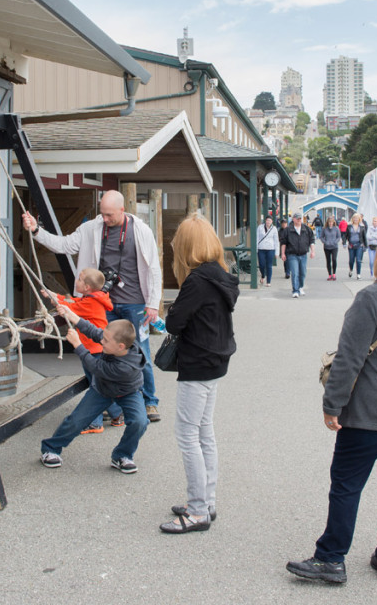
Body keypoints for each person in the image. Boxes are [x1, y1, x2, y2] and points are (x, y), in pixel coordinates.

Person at [287, 228, 377, 585]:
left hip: (371, 413)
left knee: (346, 483)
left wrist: (331, 405)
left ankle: (331, 558)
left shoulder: (371, 299)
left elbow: (349, 360)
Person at [22, 190, 164, 423]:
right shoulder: (92, 228)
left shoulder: (140, 230)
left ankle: (149, 402)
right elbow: (64, 245)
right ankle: (114, 404)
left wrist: (153, 303)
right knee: (105, 353)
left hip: (134, 302)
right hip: (101, 304)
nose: (105, 219)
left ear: (122, 210)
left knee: (140, 352)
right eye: (102, 214)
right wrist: (36, 231)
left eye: (109, 215)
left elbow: (154, 268)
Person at [159, 214, 239, 534]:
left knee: (188, 434)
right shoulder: (220, 274)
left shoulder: (195, 281)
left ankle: (196, 511)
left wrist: (173, 309)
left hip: (197, 363)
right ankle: (208, 500)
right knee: (204, 431)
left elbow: (174, 322)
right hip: (216, 361)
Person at [40, 311, 148, 474]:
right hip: (104, 388)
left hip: (128, 392)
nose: (101, 342)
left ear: (120, 347)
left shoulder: (126, 367)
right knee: (76, 421)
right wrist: (73, 316)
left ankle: (122, 455)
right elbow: (94, 331)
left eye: (105, 341)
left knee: (140, 421)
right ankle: (51, 449)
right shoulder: (118, 343)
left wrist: (78, 345)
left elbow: (96, 367)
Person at [41, 268, 115, 433]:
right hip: (97, 348)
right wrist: (55, 296)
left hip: (93, 349)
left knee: (95, 386)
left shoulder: (90, 302)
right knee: (102, 383)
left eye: (80, 279)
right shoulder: (93, 298)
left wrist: (57, 300)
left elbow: (71, 307)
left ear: (87, 287)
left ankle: (95, 422)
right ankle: (117, 414)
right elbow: (74, 303)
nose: (77, 281)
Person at [280, 211, 316, 298]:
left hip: (303, 254)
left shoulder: (306, 229)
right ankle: (295, 290)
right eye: (298, 218)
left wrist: (312, 251)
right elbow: (283, 242)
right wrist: (283, 253)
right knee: (295, 272)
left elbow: (312, 241)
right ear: (293, 219)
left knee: (303, 272)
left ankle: (300, 287)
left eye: (300, 218)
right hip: (292, 254)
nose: (299, 220)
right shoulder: (288, 230)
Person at [256, 215, 279, 288]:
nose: (268, 222)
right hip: (261, 248)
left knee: (269, 266)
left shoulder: (274, 229)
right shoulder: (260, 227)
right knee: (261, 265)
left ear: (272, 221)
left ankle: (268, 281)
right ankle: (263, 275)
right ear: (265, 221)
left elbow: (276, 241)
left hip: (270, 249)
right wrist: (256, 248)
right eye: (267, 220)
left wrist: (277, 252)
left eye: (269, 220)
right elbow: (257, 237)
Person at [345, 214, 367, 279]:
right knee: (351, 260)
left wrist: (365, 245)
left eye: (357, 218)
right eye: (354, 218)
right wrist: (345, 242)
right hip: (351, 245)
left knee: (358, 260)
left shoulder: (362, 227)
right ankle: (351, 270)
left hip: (359, 245)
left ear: (359, 219)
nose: (356, 220)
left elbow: (364, 237)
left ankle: (358, 274)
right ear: (352, 219)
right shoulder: (349, 226)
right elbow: (345, 235)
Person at [320, 216, 341, 280]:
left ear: (333, 222)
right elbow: (321, 237)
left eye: (331, 222)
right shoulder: (324, 228)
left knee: (334, 259)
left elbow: (338, 237)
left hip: (334, 246)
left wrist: (335, 242)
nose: (330, 223)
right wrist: (325, 242)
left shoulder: (336, 228)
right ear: (327, 222)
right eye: (329, 222)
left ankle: (334, 274)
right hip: (327, 247)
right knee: (328, 260)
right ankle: (329, 274)